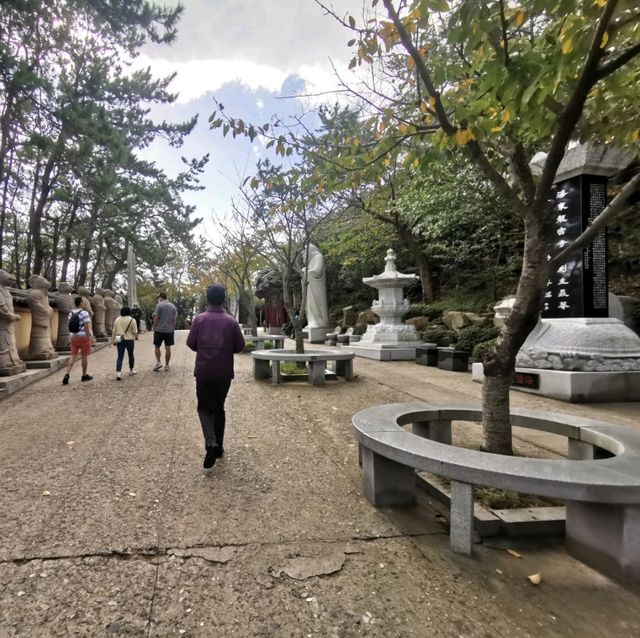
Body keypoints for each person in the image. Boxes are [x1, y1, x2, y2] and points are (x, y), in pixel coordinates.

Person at [186, 284, 244, 469]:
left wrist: (204, 350)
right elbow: (239, 346)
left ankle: (211, 442)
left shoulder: (199, 320)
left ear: (207, 299)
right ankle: (219, 448)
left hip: (204, 370)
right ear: (224, 299)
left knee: (203, 408)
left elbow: (191, 343)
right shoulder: (231, 321)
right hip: (224, 372)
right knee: (219, 408)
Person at [63, 297, 93, 385]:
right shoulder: (84, 313)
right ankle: (84, 376)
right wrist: (89, 336)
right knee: (84, 356)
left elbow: (70, 325)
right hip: (83, 337)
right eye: (83, 302)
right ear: (80, 303)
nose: (83, 304)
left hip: (74, 337)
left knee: (73, 356)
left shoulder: (71, 313)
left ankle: (67, 374)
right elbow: (86, 326)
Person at [111, 306, 138, 380]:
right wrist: (136, 336)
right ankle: (131, 370)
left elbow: (114, 331)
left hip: (119, 339)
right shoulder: (132, 320)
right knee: (130, 355)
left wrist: (113, 340)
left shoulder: (117, 319)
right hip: (129, 339)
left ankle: (118, 374)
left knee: (120, 356)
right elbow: (135, 331)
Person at [152, 292, 177, 371]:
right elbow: (174, 319)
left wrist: (154, 326)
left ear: (160, 298)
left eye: (158, 298)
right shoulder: (173, 306)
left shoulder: (159, 305)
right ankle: (167, 365)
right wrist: (173, 328)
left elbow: (156, 317)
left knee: (157, 346)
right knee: (168, 347)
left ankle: (159, 362)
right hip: (169, 330)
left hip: (159, 330)